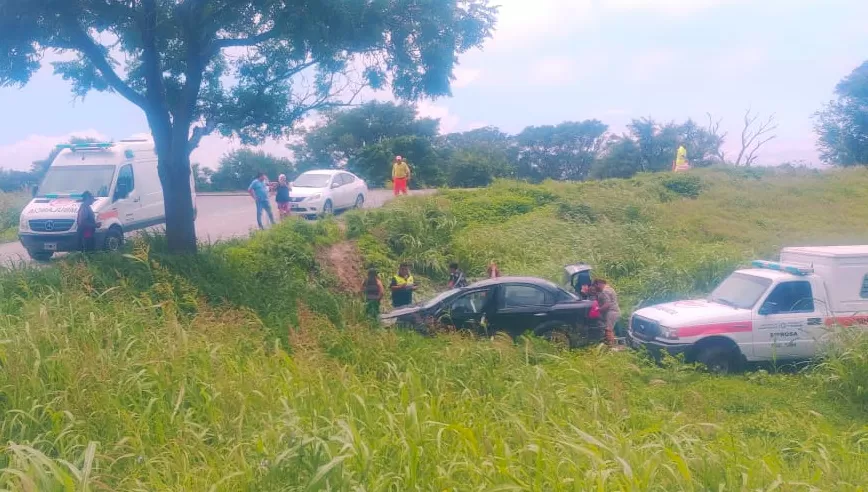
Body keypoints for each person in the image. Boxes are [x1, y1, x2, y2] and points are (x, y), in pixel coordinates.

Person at [594, 278, 621, 347]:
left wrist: (598, 309)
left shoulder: (605, 291)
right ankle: (613, 344)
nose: (596, 288)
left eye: (596, 285)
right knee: (610, 329)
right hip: (615, 312)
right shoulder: (610, 289)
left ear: (599, 284)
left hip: (611, 312)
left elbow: (607, 304)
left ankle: (611, 346)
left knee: (608, 330)